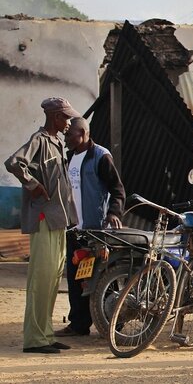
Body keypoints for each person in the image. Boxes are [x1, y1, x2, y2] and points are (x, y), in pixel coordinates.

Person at [5, 97, 80, 354]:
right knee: (40, 279)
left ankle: (45, 335)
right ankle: (35, 339)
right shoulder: (38, 140)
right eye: (65, 117)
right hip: (44, 218)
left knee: (52, 280)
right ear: (54, 117)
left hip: (59, 219)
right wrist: (33, 185)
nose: (69, 122)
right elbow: (14, 163)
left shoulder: (57, 142)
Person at [56, 117, 126, 338]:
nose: (66, 139)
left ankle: (114, 323)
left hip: (97, 231)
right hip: (75, 229)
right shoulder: (69, 157)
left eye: (70, 134)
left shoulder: (100, 156)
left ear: (83, 133)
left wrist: (114, 212)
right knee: (76, 277)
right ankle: (78, 324)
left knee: (104, 277)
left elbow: (117, 189)